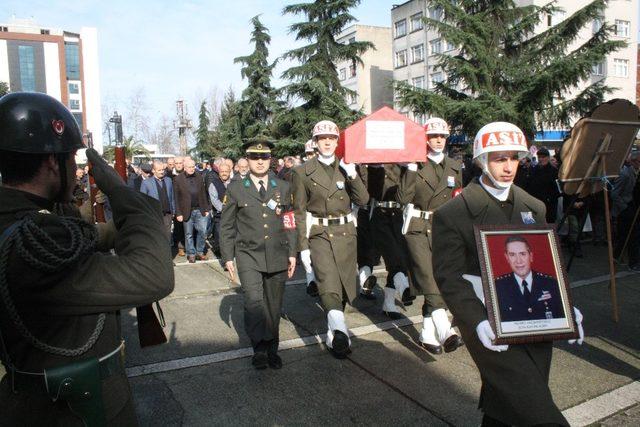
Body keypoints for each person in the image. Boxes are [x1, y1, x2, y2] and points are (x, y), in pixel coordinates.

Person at [0, 92, 174, 425]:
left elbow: (79, 236)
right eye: (70, 158)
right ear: (53, 162)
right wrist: (121, 192)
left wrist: (107, 231)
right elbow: (155, 275)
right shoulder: (35, 242)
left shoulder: (30, 223)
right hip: (74, 411)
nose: (75, 167)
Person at [432, 121, 584, 426]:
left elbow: (543, 263)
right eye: (499, 158)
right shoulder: (453, 214)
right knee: (534, 404)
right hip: (488, 321)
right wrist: (475, 321)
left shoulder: (535, 207)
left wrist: (564, 306)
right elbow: (448, 276)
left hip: (535, 319)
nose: (508, 166)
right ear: (481, 161)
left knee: (509, 403)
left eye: (513, 157)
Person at [292, 120, 369, 358]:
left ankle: (332, 329)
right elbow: (299, 211)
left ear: (337, 141)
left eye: (331, 138)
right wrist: (303, 247)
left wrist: (353, 173)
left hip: (346, 233)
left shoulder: (347, 167)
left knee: (345, 286)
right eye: (322, 138)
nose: (327, 142)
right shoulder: (302, 172)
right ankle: (339, 330)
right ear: (315, 142)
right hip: (320, 234)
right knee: (327, 280)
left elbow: (364, 200)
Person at [220, 140, 296, 370]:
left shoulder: (282, 187)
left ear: (270, 159)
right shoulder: (235, 188)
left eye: (264, 158)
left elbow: (289, 222)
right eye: (255, 157)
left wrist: (292, 253)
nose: (260, 162)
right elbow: (226, 226)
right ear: (247, 159)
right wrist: (228, 257)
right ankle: (259, 349)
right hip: (248, 255)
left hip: (277, 254)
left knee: (274, 304)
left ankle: (273, 347)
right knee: (254, 301)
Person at [396, 117, 463, 354]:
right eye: (433, 136)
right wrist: (410, 170)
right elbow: (402, 199)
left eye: (442, 136)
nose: (438, 140)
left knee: (440, 277)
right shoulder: (415, 164)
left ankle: (426, 332)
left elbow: (457, 200)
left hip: (443, 228)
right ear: (425, 138)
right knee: (426, 274)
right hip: (417, 226)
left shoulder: (454, 167)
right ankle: (445, 329)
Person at [359, 163, 412, 318]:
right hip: (373, 211)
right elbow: (366, 189)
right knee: (373, 254)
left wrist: (408, 168)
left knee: (399, 258)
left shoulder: (403, 164)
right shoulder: (371, 163)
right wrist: (375, 167)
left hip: (398, 213)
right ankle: (367, 281)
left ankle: (389, 302)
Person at [495, 236, 565, 322]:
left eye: (522, 254)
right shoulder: (498, 287)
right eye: (512, 255)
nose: (518, 261)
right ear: (507, 258)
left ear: (531, 256)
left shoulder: (551, 283)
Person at [173, 158, 210, 263]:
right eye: (189, 167)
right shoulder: (178, 179)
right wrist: (178, 213)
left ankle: (199, 252)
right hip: (186, 210)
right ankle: (191, 254)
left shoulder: (199, 176)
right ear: (184, 167)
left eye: (193, 166)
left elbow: (203, 193)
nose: (191, 169)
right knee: (188, 234)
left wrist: (206, 208)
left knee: (202, 231)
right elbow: (176, 198)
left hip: (200, 209)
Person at [612, 151, 640, 271]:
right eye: (639, 161)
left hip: (633, 207)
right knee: (627, 236)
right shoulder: (625, 174)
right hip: (625, 210)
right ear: (633, 161)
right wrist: (625, 207)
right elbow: (614, 194)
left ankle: (617, 256)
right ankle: (632, 263)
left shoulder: (636, 172)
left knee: (631, 236)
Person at [140, 161, 175, 240]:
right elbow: (143, 201)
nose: (162, 172)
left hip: (167, 214)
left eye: (163, 170)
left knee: (167, 235)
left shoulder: (168, 180)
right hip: (154, 214)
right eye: (159, 170)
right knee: (156, 236)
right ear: (153, 170)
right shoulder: (146, 183)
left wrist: (173, 211)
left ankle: (167, 252)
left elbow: (172, 196)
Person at [528, 147, 560, 224]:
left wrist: (550, 198)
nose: (541, 159)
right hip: (536, 202)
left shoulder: (554, 171)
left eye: (543, 157)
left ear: (548, 158)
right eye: (539, 157)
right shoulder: (533, 170)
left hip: (549, 204)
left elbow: (557, 189)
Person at [208, 162, 231, 255]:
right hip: (219, 216)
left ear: (230, 171)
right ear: (219, 172)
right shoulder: (213, 184)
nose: (224, 173)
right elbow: (215, 200)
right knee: (220, 237)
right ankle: (224, 256)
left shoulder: (235, 183)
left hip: (233, 215)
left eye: (226, 171)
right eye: (222, 171)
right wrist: (226, 209)